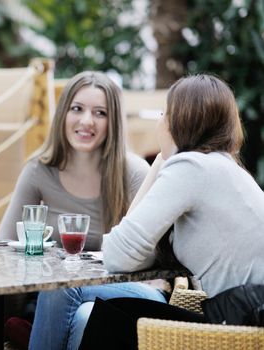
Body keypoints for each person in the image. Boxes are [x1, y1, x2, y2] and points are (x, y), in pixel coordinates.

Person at [79, 74, 264, 349]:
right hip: (246, 315)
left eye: (164, 113)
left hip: (241, 324)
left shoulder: (192, 168)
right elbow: (139, 255)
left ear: (177, 121)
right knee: (111, 310)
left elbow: (116, 255)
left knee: (104, 314)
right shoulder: (225, 169)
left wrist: (162, 163)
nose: (159, 122)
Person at [0, 71, 167, 350]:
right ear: (63, 113)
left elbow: (158, 254)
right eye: (77, 109)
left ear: (112, 122)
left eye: (100, 113)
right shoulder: (39, 171)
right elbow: (2, 247)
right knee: (85, 315)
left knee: (64, 288)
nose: (87, 121)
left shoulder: (134, 172)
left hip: (137, 292)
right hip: (62, 300)